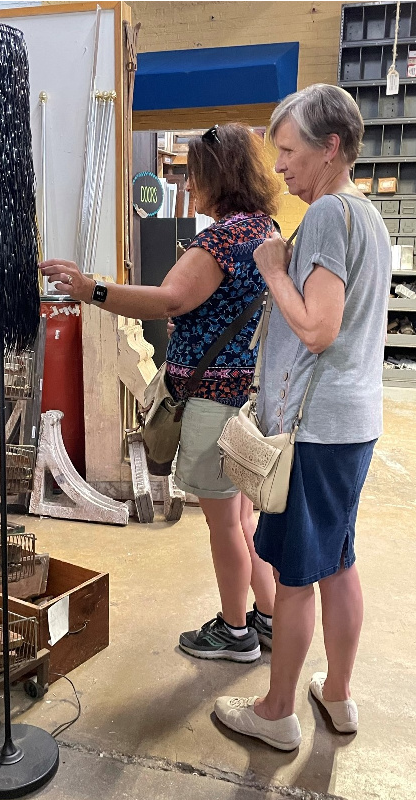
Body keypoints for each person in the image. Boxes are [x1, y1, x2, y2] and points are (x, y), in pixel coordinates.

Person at [41, 123, 279, 662]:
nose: (190, 188)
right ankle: (267, 617)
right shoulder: (263, 227)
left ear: (219, 176)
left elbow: (169, 299)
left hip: (209, 402)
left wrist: (90, 289)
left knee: (223, 524)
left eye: (195, 177)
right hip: (239, 393)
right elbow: (212, 307)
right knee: (243, 518)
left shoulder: (220, 238)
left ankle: (235, 631)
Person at [214, 85, 391, 751]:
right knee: (337, 562)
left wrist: (271, 269)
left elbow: (317, 328)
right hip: (352, 422)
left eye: (288, 151)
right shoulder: (365, 216)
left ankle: (275, 711)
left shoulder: (323, 218)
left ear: (329, 148)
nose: (279, 165)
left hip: (314, 428)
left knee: (294, 576)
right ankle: (337, 696)